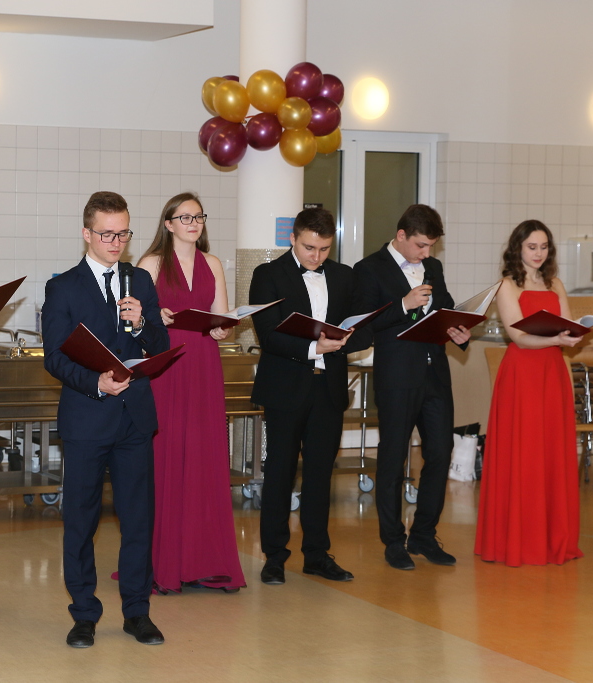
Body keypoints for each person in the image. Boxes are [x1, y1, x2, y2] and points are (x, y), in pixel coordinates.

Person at [41, 191, 170, 648]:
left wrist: (142, 324)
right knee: (81, 520)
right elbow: (54, 358)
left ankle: (137, 611)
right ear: (87, 233)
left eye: (123, 234)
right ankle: (84, 613)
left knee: (138, 519)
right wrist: (95, 382)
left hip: (134, 418)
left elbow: (160, 344)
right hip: (87, 417)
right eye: (107, 234)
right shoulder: (63, 287)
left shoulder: (140, 281)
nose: (116, 243)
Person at [249, 208, 371, 585]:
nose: (316, 256)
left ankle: (317, 554)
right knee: (280, 472)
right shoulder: (268, 274)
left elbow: (364, 328)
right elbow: (268, 334)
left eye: (324, 249)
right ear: (293, 238)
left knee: (320, 474)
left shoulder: (344, 276)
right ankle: (274, 556)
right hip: (286, 387)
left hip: (328, 389)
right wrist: (314, 347)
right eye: (309, 248)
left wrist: (348, 337)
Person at [137, 192, 245, 593]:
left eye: (198, 216)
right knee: (166, 455)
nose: (194, 223)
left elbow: (221, 319)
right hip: (167, 363)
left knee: (203, 456)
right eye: (185, 217)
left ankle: (205, 559)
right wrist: (155, 316)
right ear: (168, 224)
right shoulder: (150, 264)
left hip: (203, 362)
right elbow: (130, 319)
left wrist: (222, 329)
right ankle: (164, 562)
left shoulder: (212, 263)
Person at [354, 204, 471, 570]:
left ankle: (423, 534)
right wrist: (403, 305)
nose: (426, 253)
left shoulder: (433, 267)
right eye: (421, 245)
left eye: (431, 246)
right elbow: (363, 327)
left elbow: (445, 308)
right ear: (401, 235)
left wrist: (459, 332)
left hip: (435, 374)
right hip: (397, 377)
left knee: (440, 453)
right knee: (392, 458)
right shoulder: (369, 269)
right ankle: (393, 540)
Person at [475, 220, 584, 566]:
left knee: (550, 451)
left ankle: (552, 538)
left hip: (552, 372)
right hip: (522, 372)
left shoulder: (556, 283)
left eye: (544, 247)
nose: (538, 253)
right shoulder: (507, 285)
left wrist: (572, 336)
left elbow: (568, 325)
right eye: (532, 247)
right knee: (523, 452)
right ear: (517, 248)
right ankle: (518, 540)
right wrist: (556, 339)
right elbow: (519, 337)